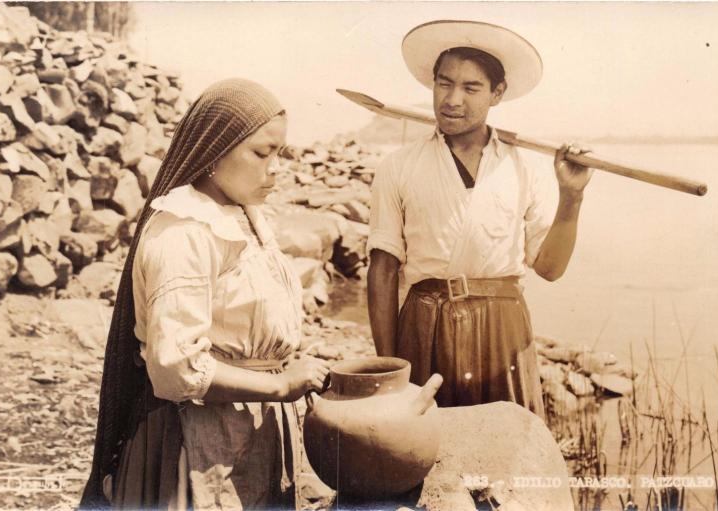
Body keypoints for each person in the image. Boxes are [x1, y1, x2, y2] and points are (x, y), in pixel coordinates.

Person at [81, 78, 330, 509]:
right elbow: (176, 370)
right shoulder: (185, 231)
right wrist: (280, 385)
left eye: (280, 154)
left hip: (247, 432)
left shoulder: (244, 216)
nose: (275, 168)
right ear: (214, 151)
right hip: (197, 441)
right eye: (261, 153)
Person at [367, 20, 593, 417]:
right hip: (424, 324)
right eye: (444, 83)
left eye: (471, 88)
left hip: (501, 327)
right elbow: (383, 271)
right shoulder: (398, 167)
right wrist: (389, 367)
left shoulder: (525, 168)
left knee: (504, 454)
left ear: (497, 93)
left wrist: (571, 197)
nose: (453, 99)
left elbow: (551, 268)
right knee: (424, 452)